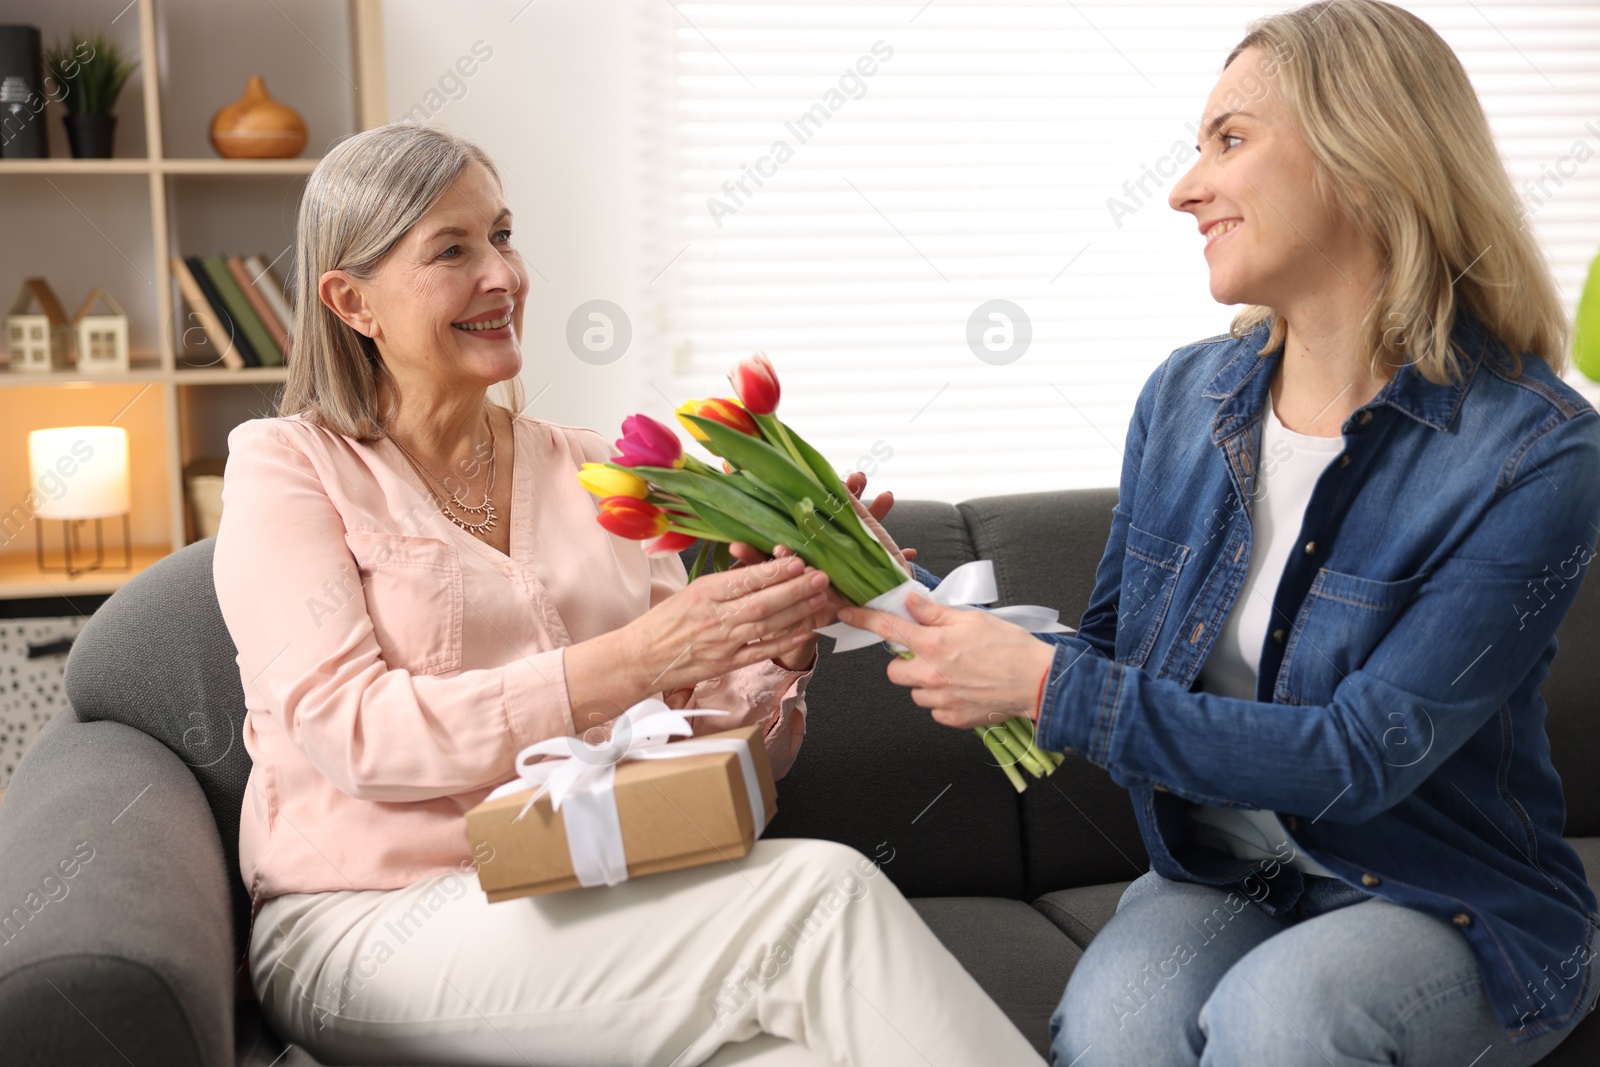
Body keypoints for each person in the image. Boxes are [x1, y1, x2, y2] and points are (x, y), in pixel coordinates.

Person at [839, 2, 1600, 1064]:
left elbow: (1357, 757)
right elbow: (1110, 658)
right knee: (1116, 1031)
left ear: (1363, 155)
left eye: (1229, 141)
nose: (1184, 188)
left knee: (1278, 1018)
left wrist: (1048, 688)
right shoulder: (1188, 396)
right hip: (1227, 873)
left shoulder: (1533, 450)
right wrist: (889, 587)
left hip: (1448, 893)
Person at [212, 122, 1046, 1067]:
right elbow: (352, 732)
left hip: (588, 891)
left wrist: (771, 638)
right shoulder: (286, 467)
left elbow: (723, 769)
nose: (503, 274)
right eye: (453, 249)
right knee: (821, 898)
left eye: (504, 235)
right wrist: (640, 657)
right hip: (369, 923)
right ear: (350, 299)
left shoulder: (595, 468)